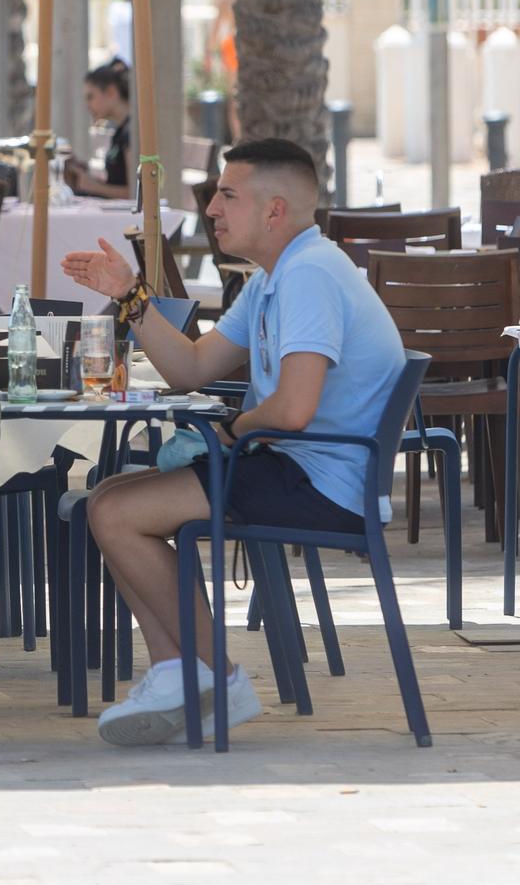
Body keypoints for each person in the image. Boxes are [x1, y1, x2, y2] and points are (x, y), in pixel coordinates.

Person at [60, 138, 405, 746]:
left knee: (114, 510)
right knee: (109, 496)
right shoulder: (277, 277)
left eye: (227, 194)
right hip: (295, 466)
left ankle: (213, 679)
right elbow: (192, 368)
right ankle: (182, 675)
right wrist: (130, 296)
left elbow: (294, 410)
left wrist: (226, 430)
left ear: (274, 211)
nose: (212, 207)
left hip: (322, 482)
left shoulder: (310, 276)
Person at [67, 60, 132, 199]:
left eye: (91, 97)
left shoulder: (131, 133)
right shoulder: (120, 132)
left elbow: (136, 194)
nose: (87, 106)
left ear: (111, 92)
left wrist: (93, 186)